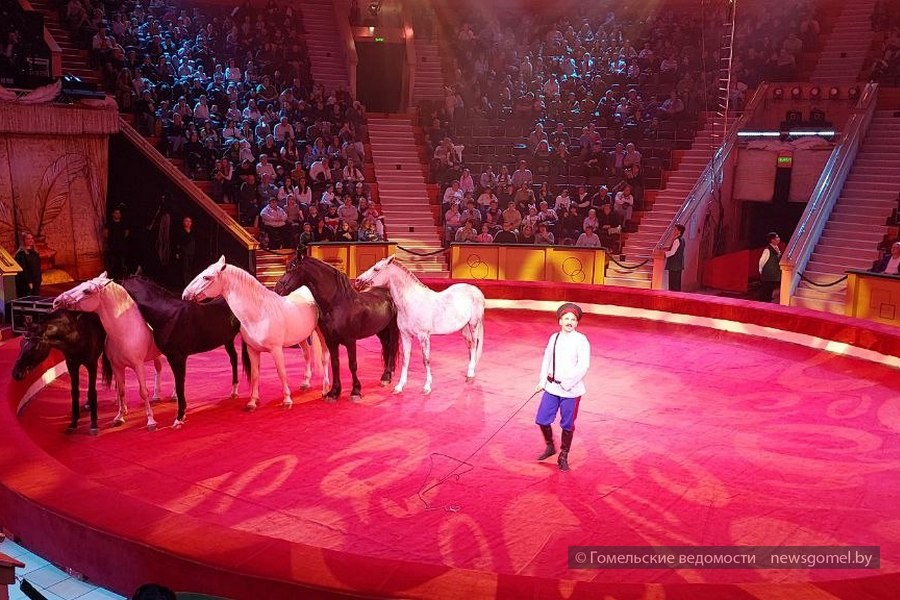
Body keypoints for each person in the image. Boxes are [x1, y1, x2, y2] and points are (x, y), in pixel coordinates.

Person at [534, 302, 591, 472]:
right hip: (552, 388)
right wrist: (542, 381)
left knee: (567, 424)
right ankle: (550, 446)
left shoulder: (581, 340)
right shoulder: (554, 337)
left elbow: (583, 366)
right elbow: (547, 360)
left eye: (573, 319)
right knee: (542, 419)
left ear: (577, 322)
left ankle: (563, 455)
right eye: (566, 318)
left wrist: (567, 384)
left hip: (571, 390)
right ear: (559, 321)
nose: (569, 322)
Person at [14, 232, 42, 297]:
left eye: (32, 238)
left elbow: (37, 267)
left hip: (36, 282)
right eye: (28, 238)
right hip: (26, 284)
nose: (31, 240)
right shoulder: (20, 254)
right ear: (24, 240)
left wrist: (39, 279)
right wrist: (29, 282)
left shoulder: (35, 253)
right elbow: (23, 270)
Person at [172, 216, 196, 287]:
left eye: (190, 221)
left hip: (191, 253)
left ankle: (190, 283)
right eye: (186, 221)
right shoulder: (181, 231)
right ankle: (185, 284)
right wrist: (177, 252)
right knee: (184, 268)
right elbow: (179, 242)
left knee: (190, 268)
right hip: (183, 252)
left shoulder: (193, 232)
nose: (188, 223)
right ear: (183, 222)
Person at [758, 232, 782, 302]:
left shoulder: (777, 248)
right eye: (777, 238)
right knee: (766, 289)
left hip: (773, 274)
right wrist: (761, 270)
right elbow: (762, 260)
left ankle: (767, 300)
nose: (778, 239)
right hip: (768, 274)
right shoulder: (767, 249)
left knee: (770, 289)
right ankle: (763, 302)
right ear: (772, 240)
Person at [664, 223, 686, 292]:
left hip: (674, 265)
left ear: (679, 231)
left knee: (673, 284)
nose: (674, 231)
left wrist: (664, 253)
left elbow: (673, 252)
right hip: (678, 264)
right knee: (677, 283)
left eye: (675, 229)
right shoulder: (682, 240)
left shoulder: (677, 240)